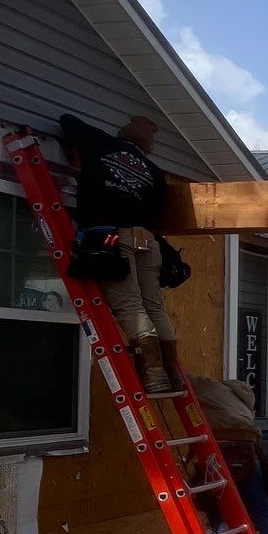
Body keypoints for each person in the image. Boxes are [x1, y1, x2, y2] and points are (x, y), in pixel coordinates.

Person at [58, 111, 181, 394]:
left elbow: (67, 120)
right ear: (147, 147)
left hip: (112, 237)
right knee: (154, 307)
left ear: (123, 135)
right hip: (148, 242)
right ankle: (171, 373)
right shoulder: (154, 174)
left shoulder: (102, 144)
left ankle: (154, 373)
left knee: (129, 305)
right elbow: (156, 213)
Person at [191, 376, 268, 534]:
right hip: (247, 452)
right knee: (261, 511)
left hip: (219, 451)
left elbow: (184, 376)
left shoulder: (211, 388)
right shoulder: (242, 401)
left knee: (220, 511)